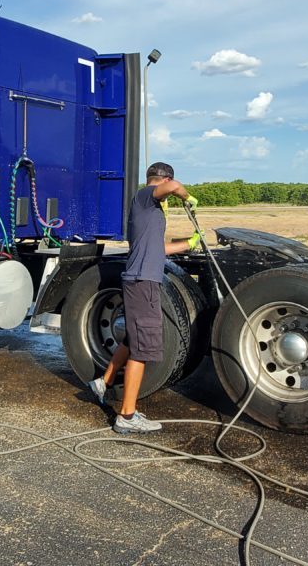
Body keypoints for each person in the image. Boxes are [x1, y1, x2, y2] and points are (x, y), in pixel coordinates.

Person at [88, 162, 201, 434]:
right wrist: (188, 197)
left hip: (140, 280)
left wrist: (190, 243)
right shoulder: (144, 196)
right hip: (142, 283)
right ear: (162, 179)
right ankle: (126, 416)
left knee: (132, 338)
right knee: (143, 350)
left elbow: (157, 248)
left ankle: (103, 381)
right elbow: (173, 188)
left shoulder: (148, 211)